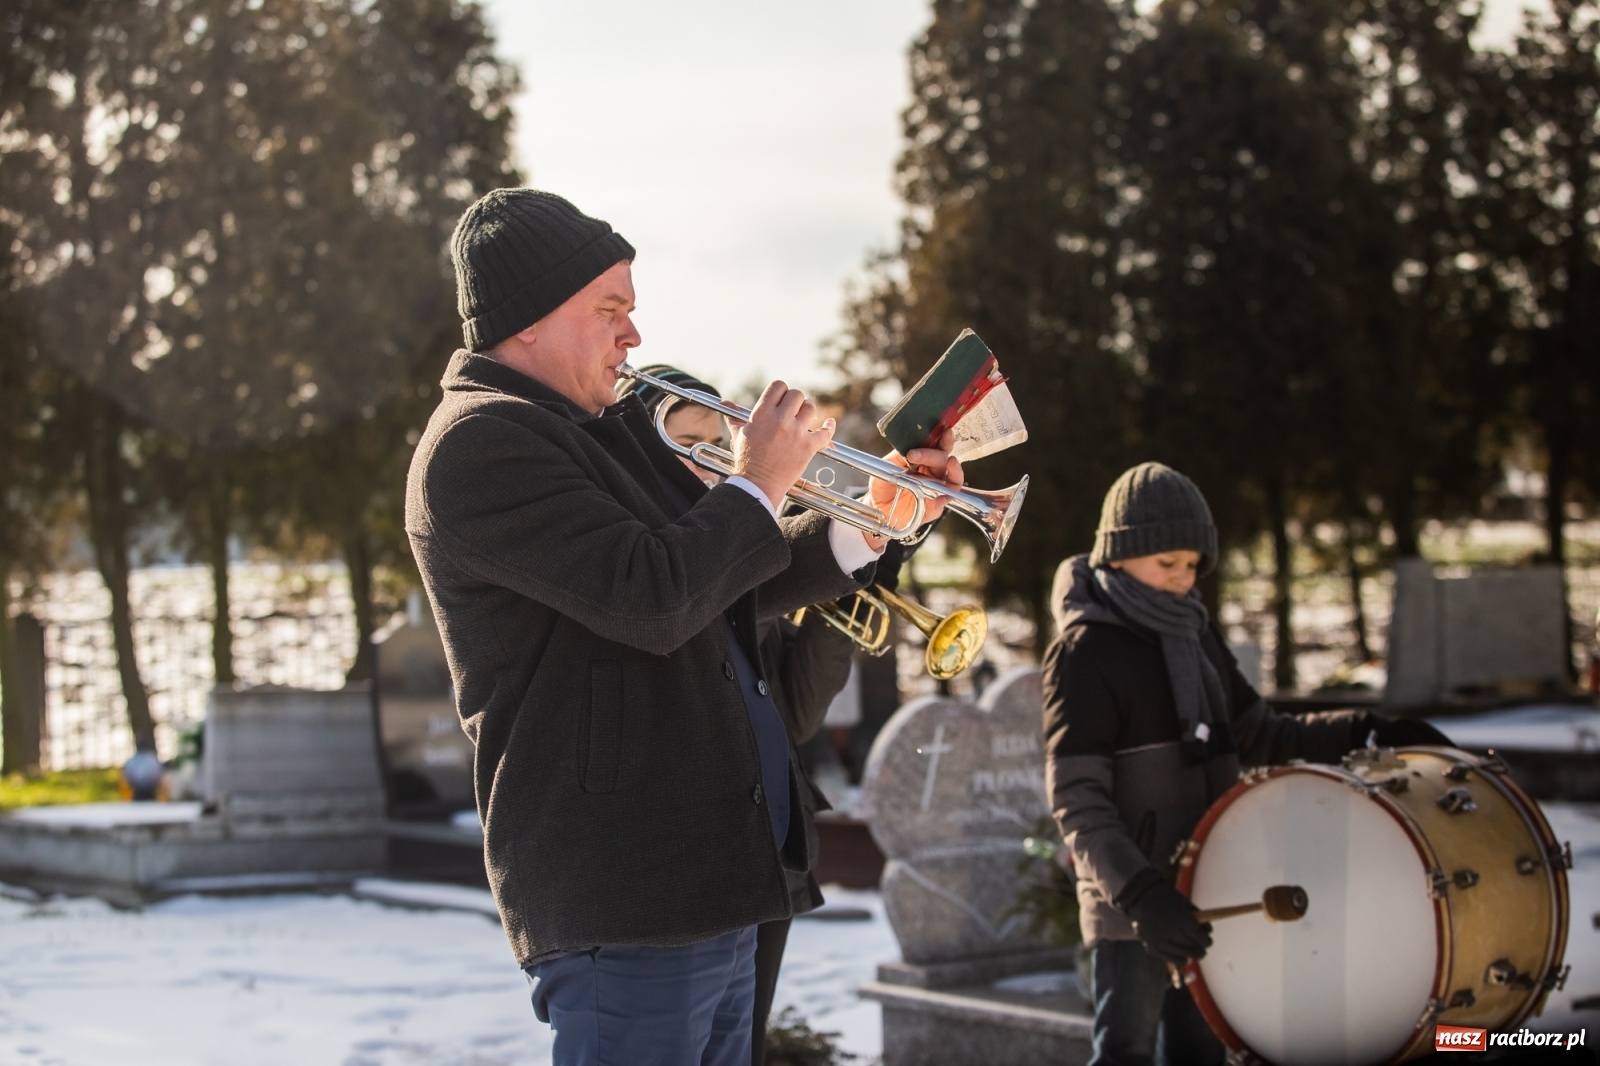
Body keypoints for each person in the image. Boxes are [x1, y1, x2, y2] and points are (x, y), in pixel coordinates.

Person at [405, 188, 963, 1066]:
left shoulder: (590, 432)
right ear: (528, 322)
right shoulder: (481, 446)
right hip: (628, 891)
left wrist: (872, 515)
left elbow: (720, 582)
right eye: (610, 309)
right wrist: (756, 484)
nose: (633, 335)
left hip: (709, 882)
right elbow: (654, 595)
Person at [1041, 462, 1448, 1066]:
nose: (1182, 580)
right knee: (1125, 1049)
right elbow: (1078, 799)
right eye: (1166, 564)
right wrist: (1143, 894)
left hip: (1217, 891)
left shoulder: (1194, 635)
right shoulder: (1086, 652)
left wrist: (1365, 728)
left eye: (1191, 566)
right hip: (1134, 909)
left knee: (1203, 1051)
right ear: (1120, 555)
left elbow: (1263, 734)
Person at [617, 365, 902, 1066]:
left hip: (768, 862)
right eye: (691, 443)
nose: (721, 464)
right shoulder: (653, 565)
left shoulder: (740, 549)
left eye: (722, 442)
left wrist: (854, 575)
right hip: (676, 876)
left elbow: (797, 712)